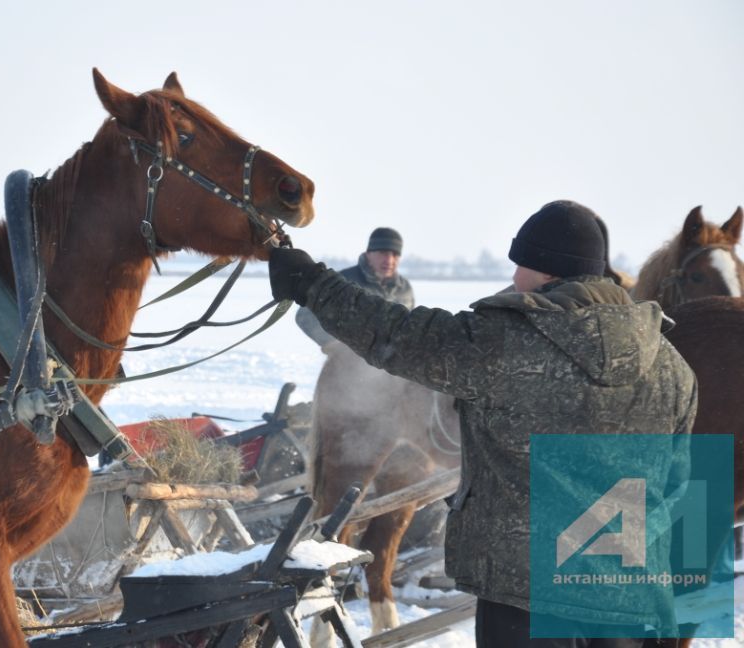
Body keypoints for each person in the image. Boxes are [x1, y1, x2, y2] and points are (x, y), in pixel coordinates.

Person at [268, 201, 697, 647]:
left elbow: (399, 335)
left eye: (521, 266)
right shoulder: (673, 366)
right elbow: (677, 483)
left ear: (549, 272)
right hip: (628, 595)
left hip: (525, 594)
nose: (514, 279)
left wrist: (312, 283)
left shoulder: (509, 342)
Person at [295, 227, 414, 349]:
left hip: (389, 365)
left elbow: (409, 329)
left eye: (395, 254)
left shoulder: (405, 289)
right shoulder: (343, 281)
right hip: (346, 364)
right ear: (369, 253)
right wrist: (333, 346)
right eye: (383, 253)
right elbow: (305, 315)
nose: (389, 260)